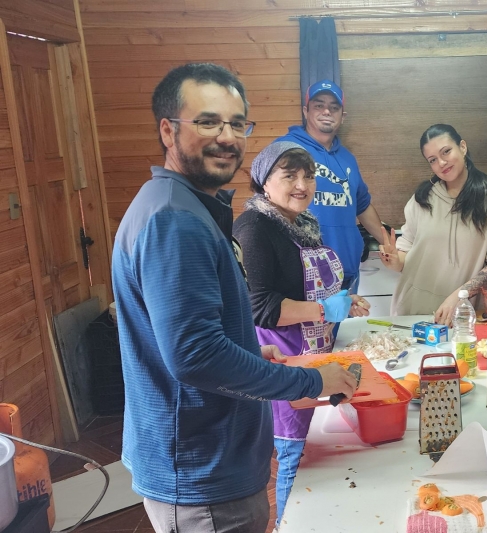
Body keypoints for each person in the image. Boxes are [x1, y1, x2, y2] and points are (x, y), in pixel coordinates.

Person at [111, 63, 357, 533]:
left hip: (212, 460)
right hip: (203, 473)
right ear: (168, 130)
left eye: (236, 123)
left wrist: (248, 350)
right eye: (207, 122)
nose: (226, 137)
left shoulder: (185, 206)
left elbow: (193, 333)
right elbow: (196, 356)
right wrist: (312, 381)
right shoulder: (175, 220)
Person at [232, 141, 370, 527]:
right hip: (283, 357)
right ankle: (288, 525)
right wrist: (326, 309)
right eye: (289, 175)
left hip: (315, 353)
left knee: (316, 447)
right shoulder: (254, 227)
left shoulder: (302, 222)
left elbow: (303, 286)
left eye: (308, 176)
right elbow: (262, 308)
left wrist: (341, 299)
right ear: (264, 181)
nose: (301, 185)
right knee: (295, 454)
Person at [380, 124, 487, 325]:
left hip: (465, 314)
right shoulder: (422, 199)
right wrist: (395, 261)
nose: (442, 163)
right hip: (413, 312)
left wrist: (460, 296)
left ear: (462, 147)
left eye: (446, 151)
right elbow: (406, 255)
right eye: (433, 160)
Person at [275, 79, 384, 294]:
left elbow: (362, 206)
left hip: (347, 277)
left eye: (334, 108)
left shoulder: (347, 158)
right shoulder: (285, 148)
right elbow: (267, 205)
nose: (327, 111)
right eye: (319, 105)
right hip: (303, 280)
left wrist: (389, 244)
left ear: (342, 117)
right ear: (306, 111)